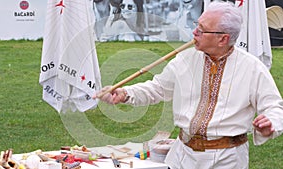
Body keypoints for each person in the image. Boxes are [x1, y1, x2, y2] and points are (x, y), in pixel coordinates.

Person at [94, 1, 283, 168]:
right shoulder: (185, 58)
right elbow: (158, 88)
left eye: (202, 29)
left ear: (223, 39)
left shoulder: (252, 68)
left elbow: (275, 107)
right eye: (196, 25)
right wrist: (126, 93)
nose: (194, 32)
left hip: (227, 159)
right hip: (182, 155)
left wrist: (270, 123)